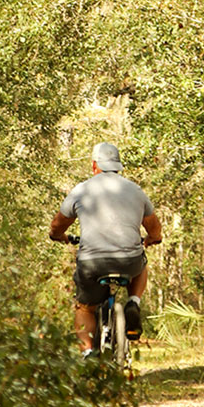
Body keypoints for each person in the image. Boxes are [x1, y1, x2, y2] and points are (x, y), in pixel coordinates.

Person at [49, 142, 162, 358]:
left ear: (94, 166)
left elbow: (58, 225)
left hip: (92, 262)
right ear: (118, 166)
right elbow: (154, 228)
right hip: (128, 259)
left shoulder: (81, 190)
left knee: (85, 307)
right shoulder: (135, 190)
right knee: (140, 264)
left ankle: (88, 353)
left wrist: (58, 236)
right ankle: (133, 303)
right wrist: (151, 239)